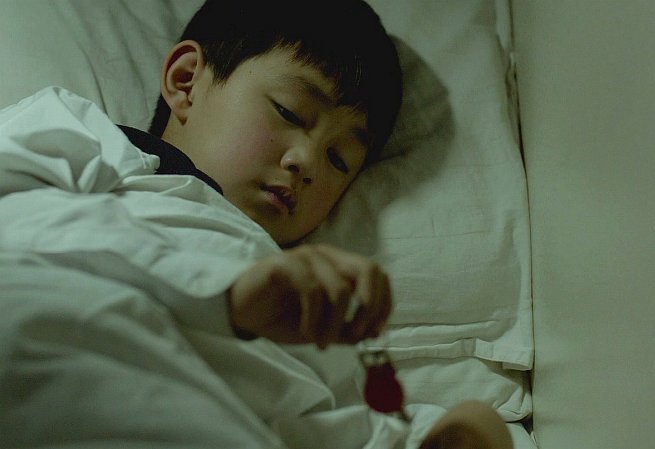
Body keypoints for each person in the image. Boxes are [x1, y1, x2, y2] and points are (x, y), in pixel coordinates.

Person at [0, 1, 512, 448]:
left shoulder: (310, 309)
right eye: (289, 112)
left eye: (338, 159)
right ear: (186, 82)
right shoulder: (90, 140)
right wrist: (226, 297)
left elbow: (337, 423)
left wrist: (466, 426)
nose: (306, 162)